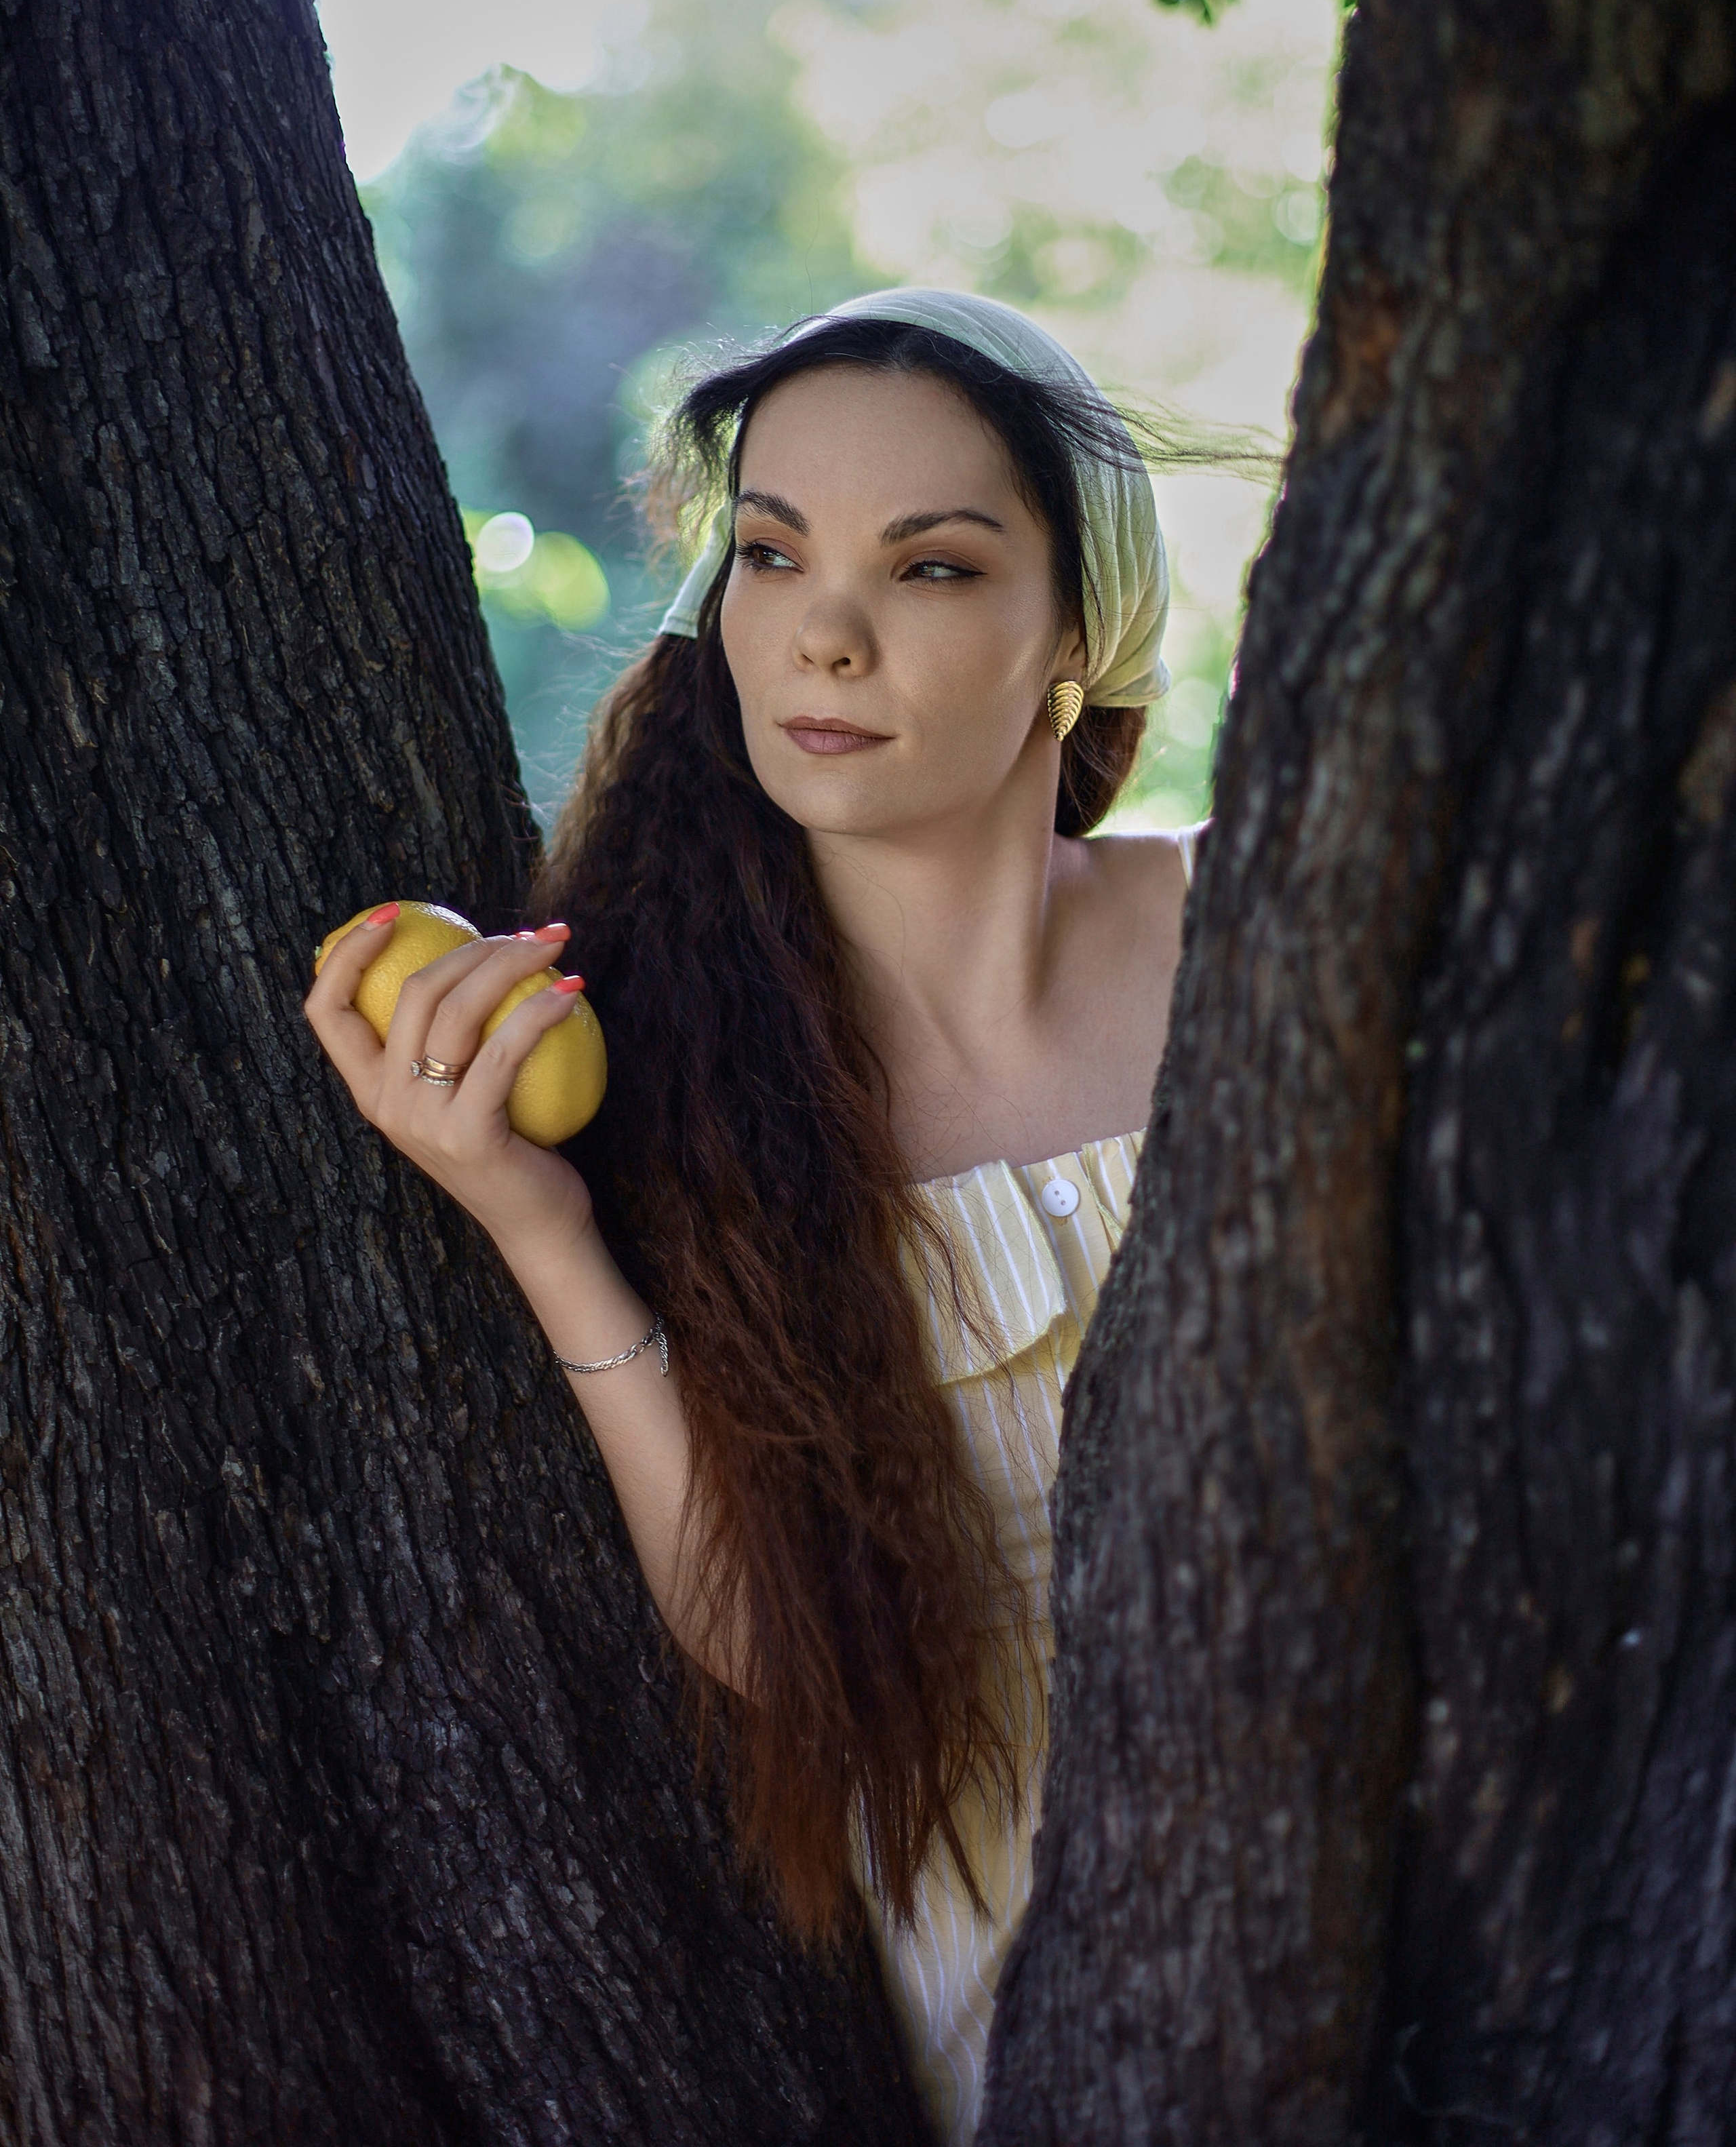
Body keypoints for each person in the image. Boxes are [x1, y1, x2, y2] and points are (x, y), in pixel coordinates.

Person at [304, 288, 1201, 2143]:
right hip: (1045, 2034)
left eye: (932, 567)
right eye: (774, 553)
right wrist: (540, 1227)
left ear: (1079, 630)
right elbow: (783, 1651)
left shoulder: (1259, 925)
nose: (826, 633)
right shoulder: (660, 1071)